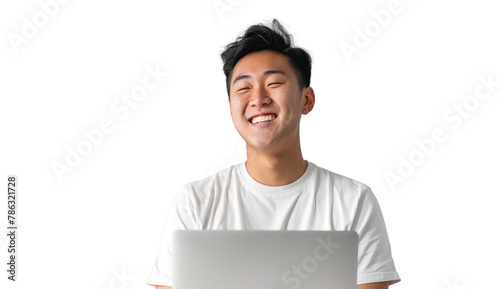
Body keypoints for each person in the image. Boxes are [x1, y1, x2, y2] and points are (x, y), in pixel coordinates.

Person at [147, 19, 401, 289]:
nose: (258, 98)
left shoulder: (353, 201)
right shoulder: (196, 202)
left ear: (307, 99)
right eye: (244, 88)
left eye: (274, 83)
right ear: (231, 106)